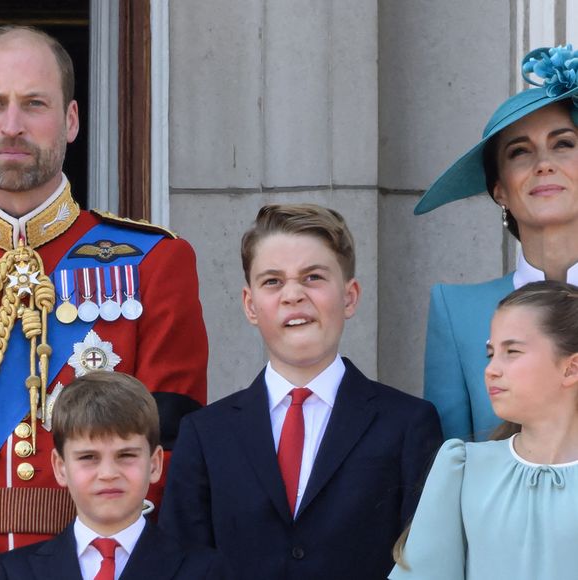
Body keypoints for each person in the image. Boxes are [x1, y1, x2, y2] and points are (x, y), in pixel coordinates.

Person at [0, 25, 208, 552]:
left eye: (34, 104)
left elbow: (172, 447)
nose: (12, 125)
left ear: (71, 121)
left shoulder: (153, 262)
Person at [159, 203, 442, 580]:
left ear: (350, 296)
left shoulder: (407, 423)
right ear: (250, 305)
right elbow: (181, 564)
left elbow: (425, 561)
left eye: (313, 277)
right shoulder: (205, 434)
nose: (292, 295)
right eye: (272, 281)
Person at [415, 44, 578, 440]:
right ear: (499, 189)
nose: (543, 163)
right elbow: (450, 464)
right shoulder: (456, 312)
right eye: (520, 152)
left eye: (564, 143)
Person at [389, 280, 578, 579]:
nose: (491, 369)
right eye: (491, 354)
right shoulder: (464, 468)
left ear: (571, 368)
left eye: (512, 351)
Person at [0, 372, 230, 579]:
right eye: (88, 457)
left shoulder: (206, 571)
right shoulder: (12, 572)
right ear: (60, 468)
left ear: (155, 464)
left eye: (126, 455)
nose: (108, 474)